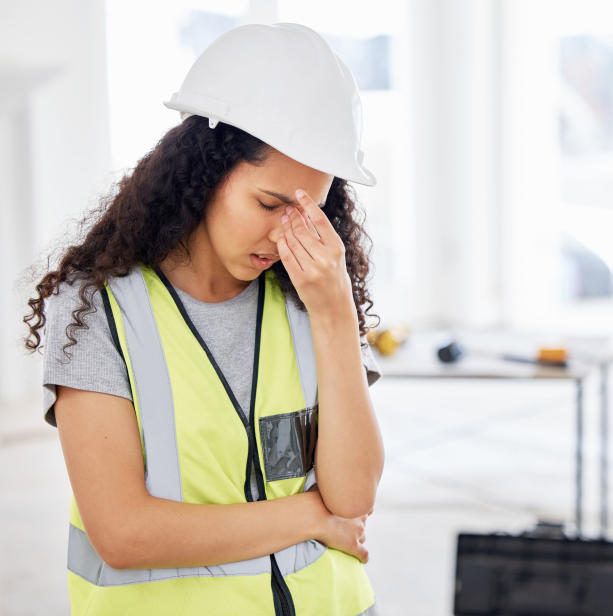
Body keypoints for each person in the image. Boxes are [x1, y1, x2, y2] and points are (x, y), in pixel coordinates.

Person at [23, 23, 384, 616]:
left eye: (309, 212)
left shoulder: (311, 299)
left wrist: (336, 315)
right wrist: (309, 515)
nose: (283, 235)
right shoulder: (97, 309)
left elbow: (353, 495)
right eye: (268, 204)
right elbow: (124, 533)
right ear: (205, 173)